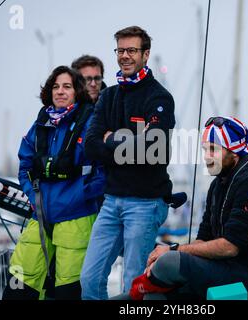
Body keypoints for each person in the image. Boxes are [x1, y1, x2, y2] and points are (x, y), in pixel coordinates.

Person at [116, 116, 248, 300]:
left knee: (168, 261)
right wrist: (168, 252)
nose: (207, 156)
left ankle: (149, 284)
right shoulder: (217, 185)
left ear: (234, 153)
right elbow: (203, 240)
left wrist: (173, 251)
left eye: (213, 150)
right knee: (150, 295)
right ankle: (148, 288)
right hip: (224, 268)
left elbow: (230, 247)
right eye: (205, 150)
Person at [81, 26, 175, 300]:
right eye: (120, 50)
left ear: (146, 54)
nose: (125, 56)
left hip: (146, 202)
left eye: (131, 50)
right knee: (89, 279)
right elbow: (90, 146)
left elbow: (153, 148)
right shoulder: (109, 96)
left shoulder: (159, 98)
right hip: (111, 200)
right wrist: (130, 141)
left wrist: (111, 139)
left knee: (133, 285)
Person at [2, 66, 105, 300]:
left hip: (76, 218)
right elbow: (25, 167)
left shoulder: (90, 124)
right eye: (56, 86)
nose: (60, 91)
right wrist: (33, 195)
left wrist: (80, 194)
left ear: (77, 91)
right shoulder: (40, 124)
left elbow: (103, 171)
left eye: (67, 86)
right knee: (18, 285)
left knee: (68, 291)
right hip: (40, 216)